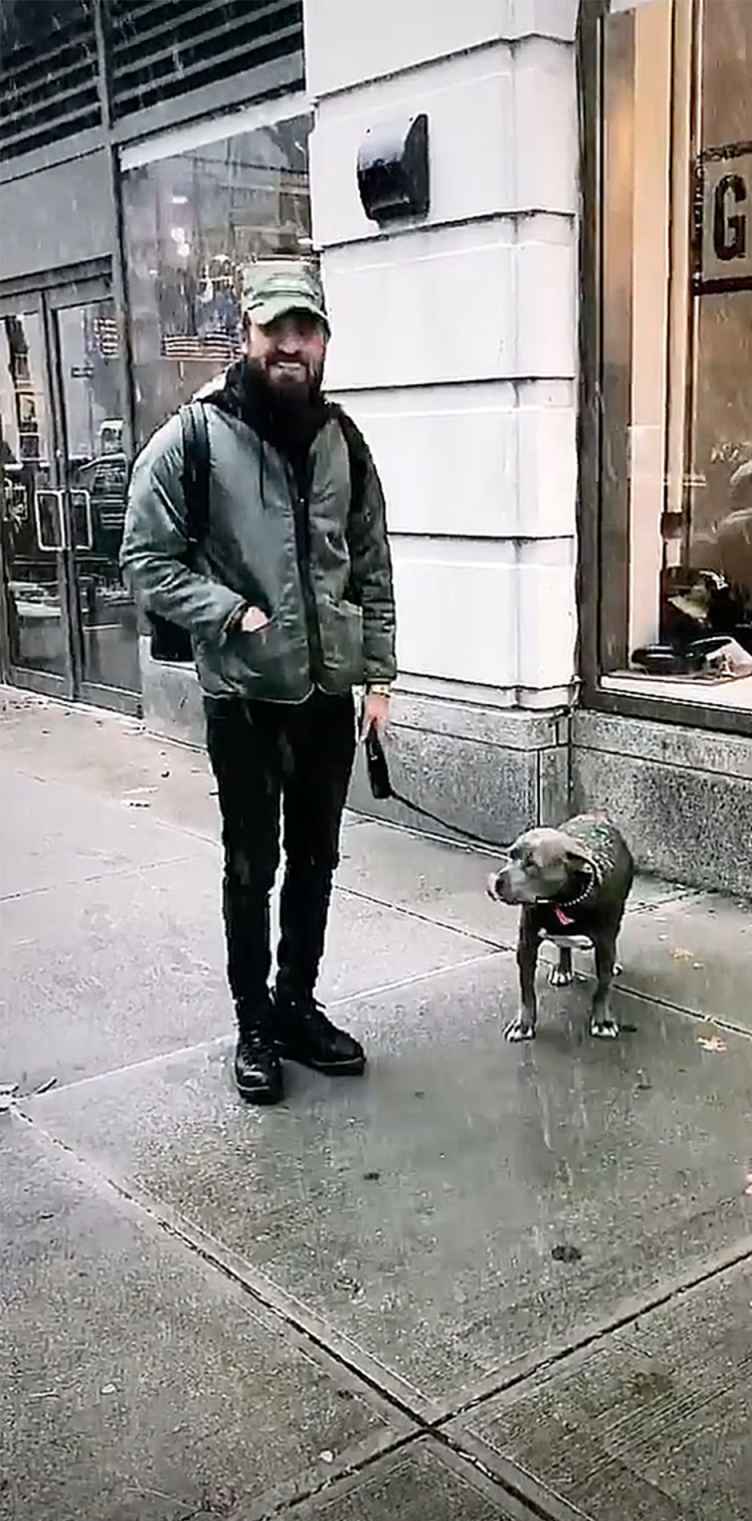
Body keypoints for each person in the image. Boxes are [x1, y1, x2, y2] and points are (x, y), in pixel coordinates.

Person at [121, 256, 396, 1106]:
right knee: (253, 865)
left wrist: (379, 675)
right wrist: (226, 610)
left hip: (325, 697)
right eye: (273, 328)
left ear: (322, 341)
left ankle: (296, 1006)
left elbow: (372, 565)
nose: (289, 344)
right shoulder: (194, 439)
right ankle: (252, 1025)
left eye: (303, 329)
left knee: (317, 858)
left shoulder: (342, 440)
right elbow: (143, 560)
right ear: (246, 334)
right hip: (242, 700)